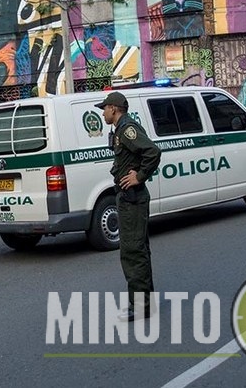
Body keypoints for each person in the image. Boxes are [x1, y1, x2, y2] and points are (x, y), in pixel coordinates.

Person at [95, 91, 161, 321]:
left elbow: (152, 151)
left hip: (132, 198)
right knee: (137, 250)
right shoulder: (120, 130)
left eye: (104, 108)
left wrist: (140, 176)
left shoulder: (127, 129)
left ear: (114, 109)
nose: (103, 112)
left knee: (132, 251)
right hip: (127, 198)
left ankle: (141, 306)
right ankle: (145, 303)